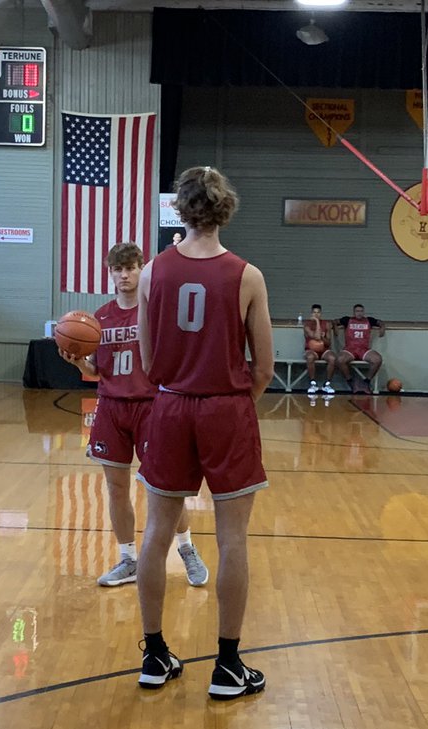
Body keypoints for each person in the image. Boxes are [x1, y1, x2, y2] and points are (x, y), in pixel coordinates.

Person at [136, 165, 274, 700]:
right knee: (233, 537)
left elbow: (149, 362)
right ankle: (228, 666)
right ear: (226, 209)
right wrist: (233, 403)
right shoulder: (247, 275)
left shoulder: (152, 272)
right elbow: (263, 366)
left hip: (169, 407)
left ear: (180, 209)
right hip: (225, 410)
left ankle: (153, 655)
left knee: (156, 533)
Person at [58, 241, 208, 589]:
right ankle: (128, 559)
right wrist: (78, 360)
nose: (124, 275)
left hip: (151, 407)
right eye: (118, 269)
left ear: (142, 270)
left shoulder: (154, 313)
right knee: (116, 488)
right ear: (110, 273)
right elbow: (97, 370)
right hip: (111, 408)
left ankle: (186, 548)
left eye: (131, 268)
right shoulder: (100, 318)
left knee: (165, 489)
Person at [335, 303, 385, 394]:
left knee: (377, 359)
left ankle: (366, 382)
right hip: (350, 349)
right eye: (357, 311)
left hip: (363, 349)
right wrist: (335, 328)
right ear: (353, 312)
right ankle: (350, 381)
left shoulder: (369, 320)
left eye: (361, 311)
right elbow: (335, 321)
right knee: (340, 360)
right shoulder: (347, 320)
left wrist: (382, 328)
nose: (359, 313)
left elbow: (380, 322)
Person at [302, 303, 336, 395]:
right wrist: (317, 322)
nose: (316, 314)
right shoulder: (307, 325)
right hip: (311, 350)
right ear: (311, 314)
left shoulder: (327, 324)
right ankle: (313, 384)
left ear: (321, 313)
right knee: (309, 357)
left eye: (318, 313)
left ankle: (327, 384)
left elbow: (329, 342)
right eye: (314, 312)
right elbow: (316, 337)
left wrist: (323, 338)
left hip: (324, 350)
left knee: (332, 358)